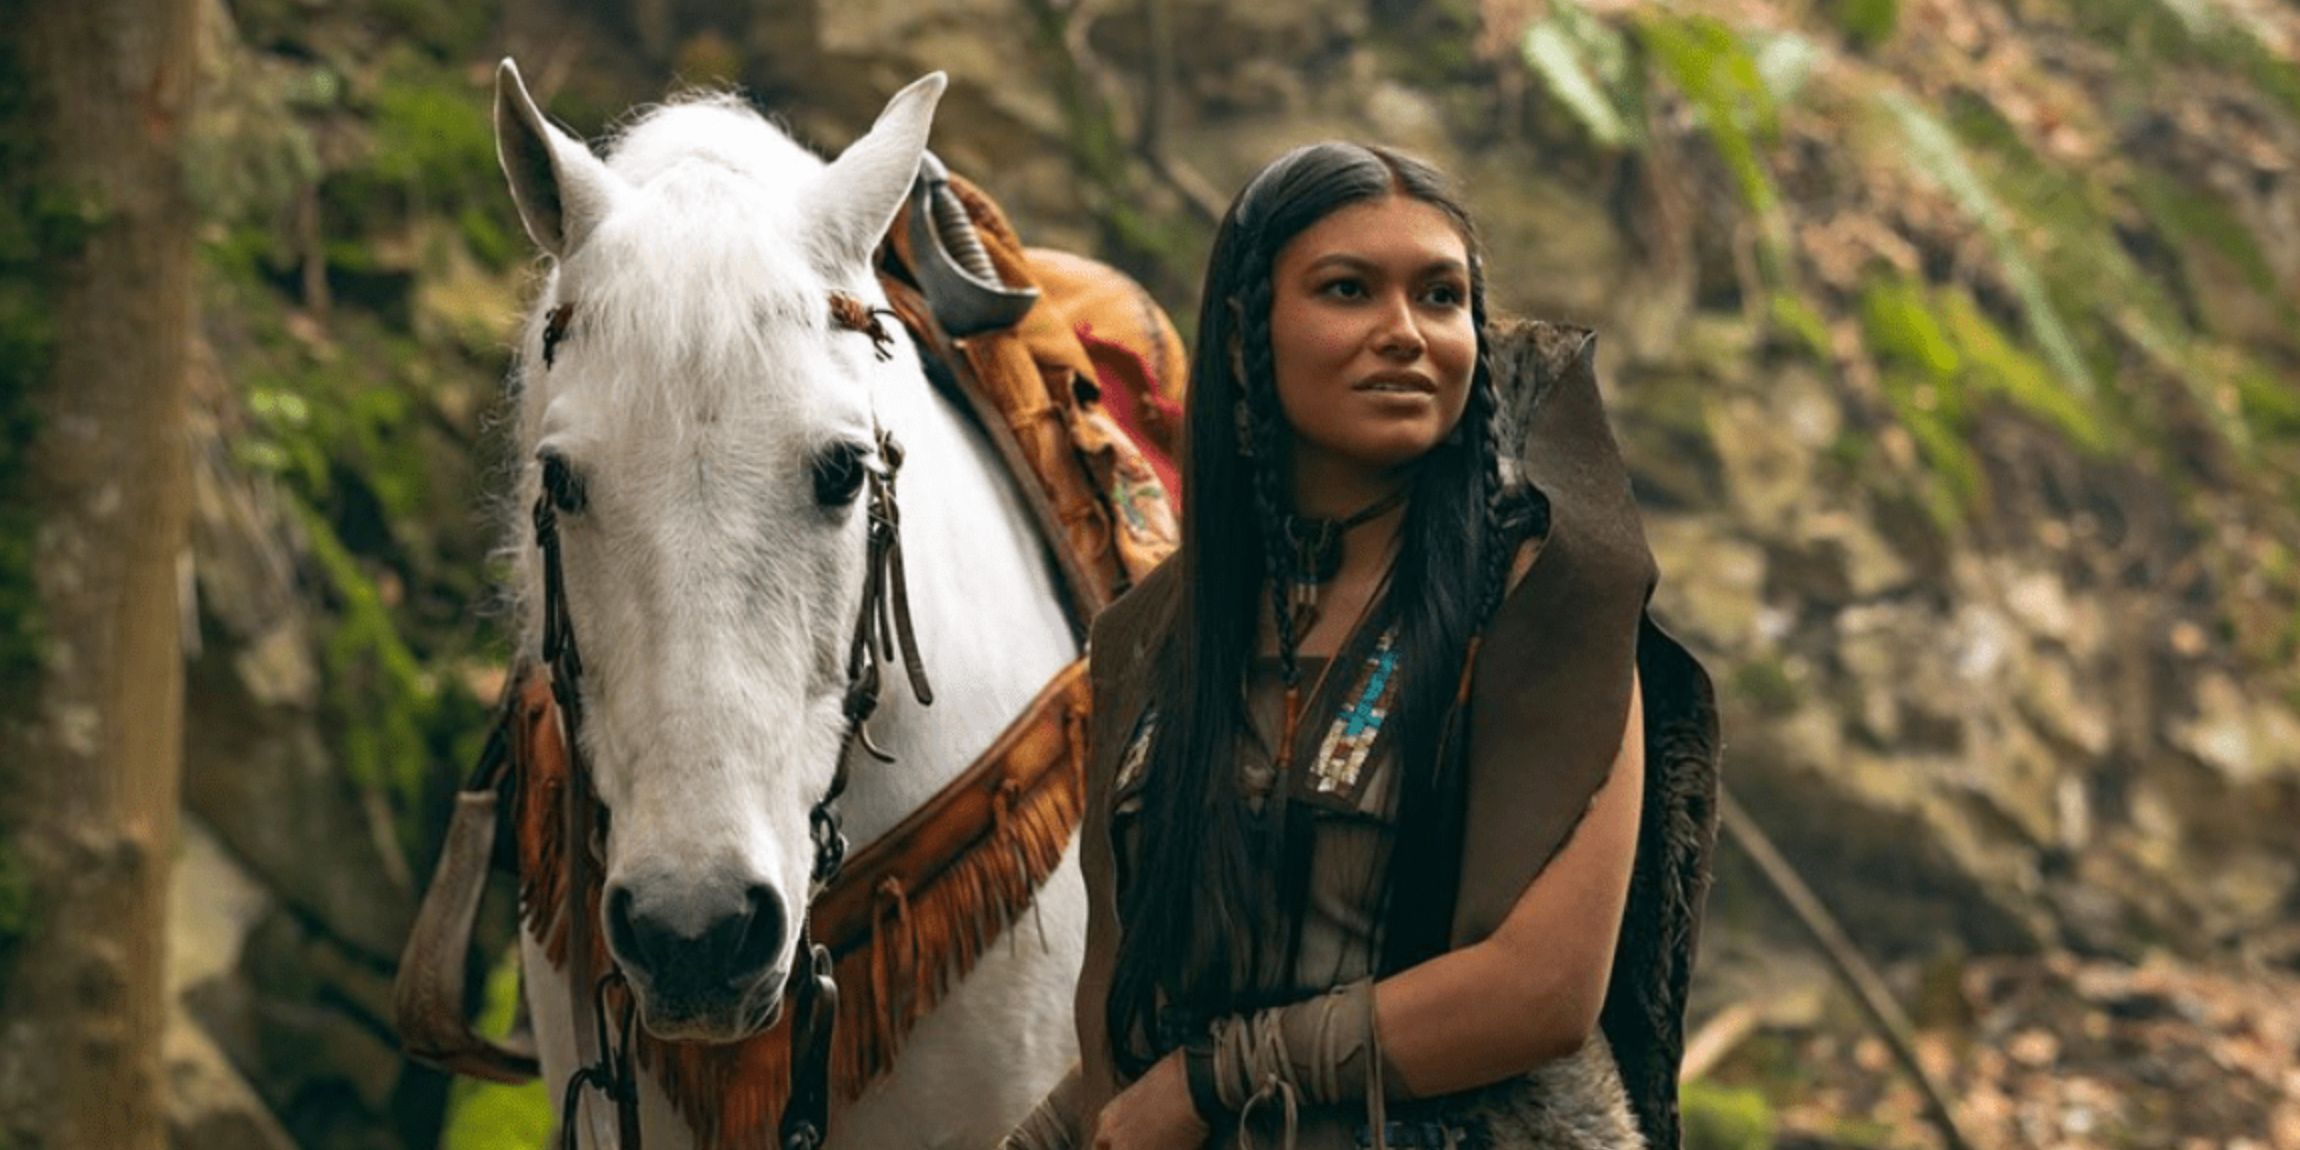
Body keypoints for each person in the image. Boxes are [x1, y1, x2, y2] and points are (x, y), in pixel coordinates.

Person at [1001, 141, 1722, 1150]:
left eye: (1439, 297)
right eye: (1347, 290)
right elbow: (1124, 1007)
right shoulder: (1151, 637)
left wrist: (1215, 1081)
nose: (1404, 332)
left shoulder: (1545, 597)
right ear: (1247, 340)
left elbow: (1542, 988)